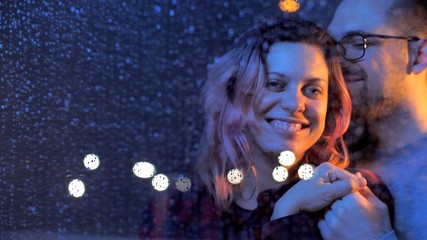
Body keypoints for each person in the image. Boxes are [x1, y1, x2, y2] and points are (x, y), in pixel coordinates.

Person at [140, 18, 392, 239]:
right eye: (275, 84)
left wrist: (286, 216)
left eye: (313, 90)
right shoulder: (181, 208)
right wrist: (286, 214)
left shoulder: (354, 198)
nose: (295, 103)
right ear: (237, 92)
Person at [320, 0, 427, 239]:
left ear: (419, 55)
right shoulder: (327, 155)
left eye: (358, 43)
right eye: (332, 47)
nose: (337, 62)